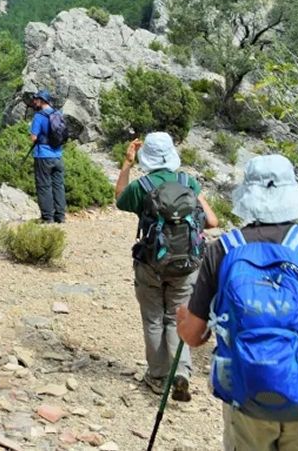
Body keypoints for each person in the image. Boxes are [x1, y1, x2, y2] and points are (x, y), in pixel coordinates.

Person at [178, 154, 298, 451]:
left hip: (247, 398)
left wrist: (184, 321)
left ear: (247, 195)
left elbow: (193, 336)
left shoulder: (222, 250)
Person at [115, 132, 218, 402]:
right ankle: (181, 370)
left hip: (150, 263)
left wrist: (127, 163)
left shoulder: (142, 185)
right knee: (175, 318)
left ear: (146, 156)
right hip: (185, 265)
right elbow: (212, 221)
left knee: (153, 318)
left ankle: (158, 376)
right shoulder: (188, 182)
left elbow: (119, 198)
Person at [28, 90, 66, 223]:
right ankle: (60, 216)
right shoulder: (58, 113)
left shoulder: (39, 116)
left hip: (43, 156)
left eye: (36, 100)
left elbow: (33, 138)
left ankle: (47, 217)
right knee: (58, 185)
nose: (34, 102)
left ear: (41, 101)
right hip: (58, 155)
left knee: (44, 186)